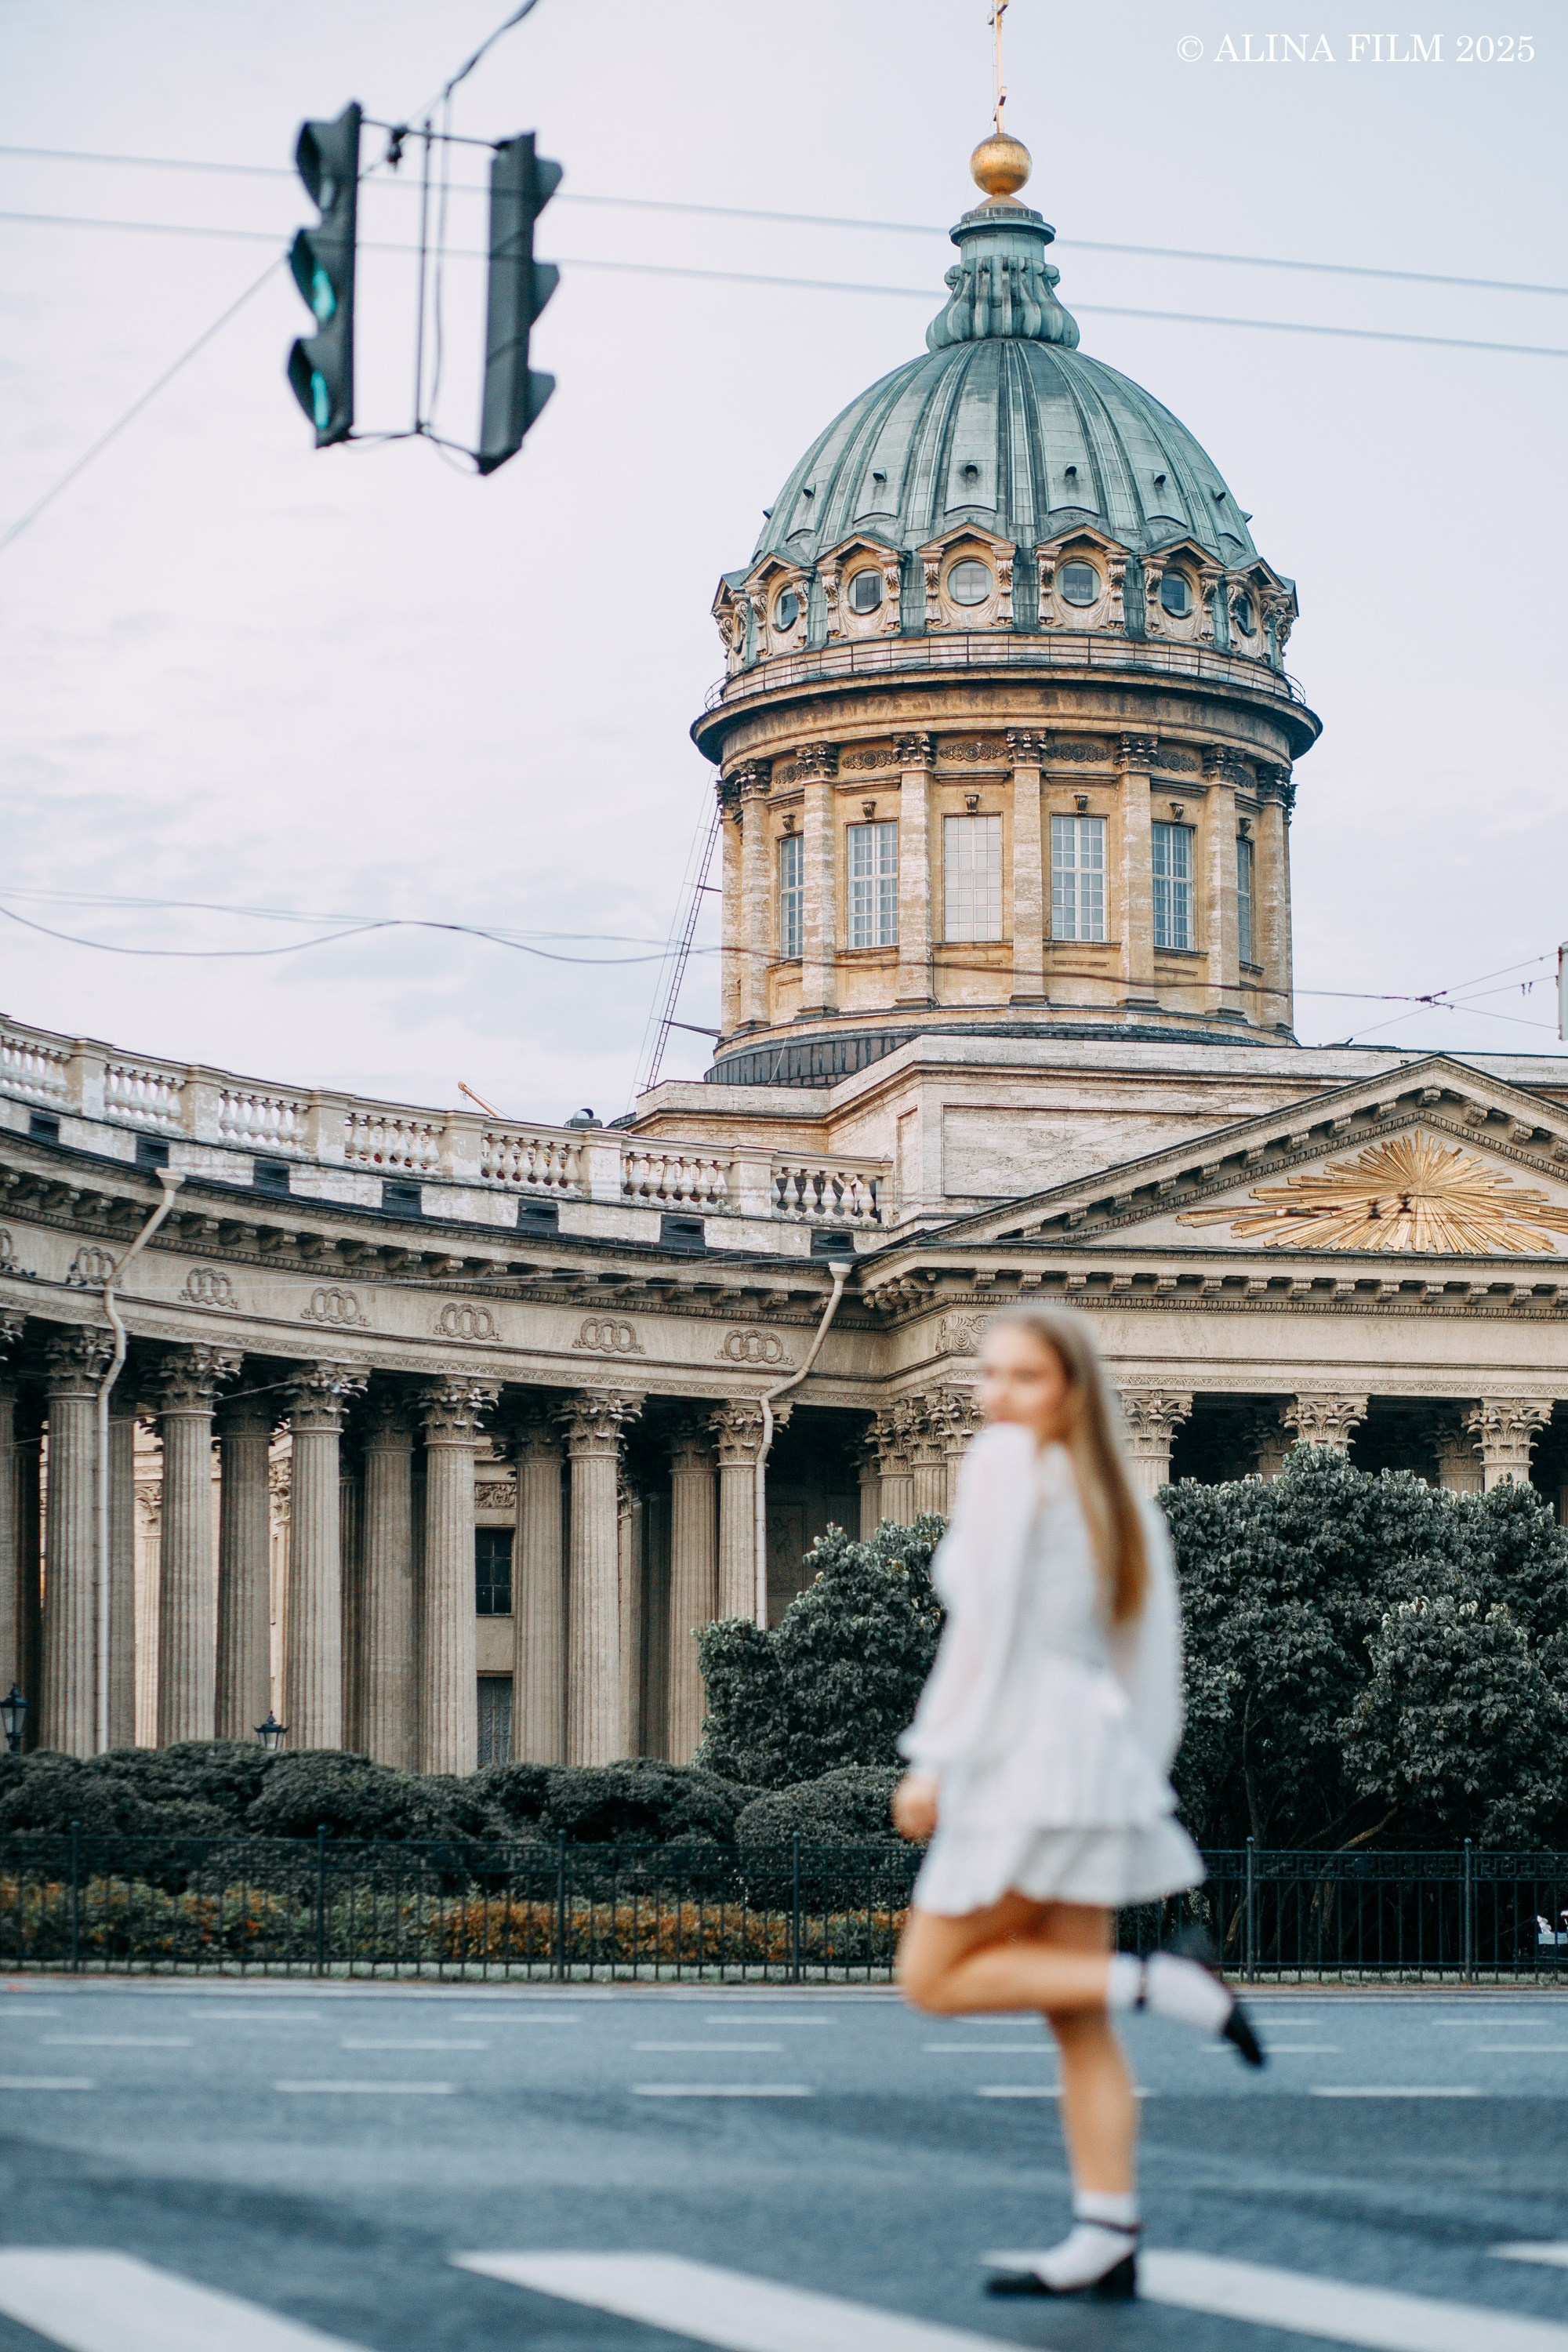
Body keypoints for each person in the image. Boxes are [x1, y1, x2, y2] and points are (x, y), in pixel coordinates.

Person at [892, 1305, 1262, 2302]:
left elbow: (984, 1639)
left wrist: (932, 1758)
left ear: (1069, 1390)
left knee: (929, 1976)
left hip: (1017, 1753)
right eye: (990, 1374)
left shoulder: (1008, 1472)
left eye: (1019, 1378)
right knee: (1072, 2014)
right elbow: (1153, 1664)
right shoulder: (1119, 1497)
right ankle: (1107, 2229)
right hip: (1089, 1756)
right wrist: (1134, 1772)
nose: (993, 1395)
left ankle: (1164, 1986)